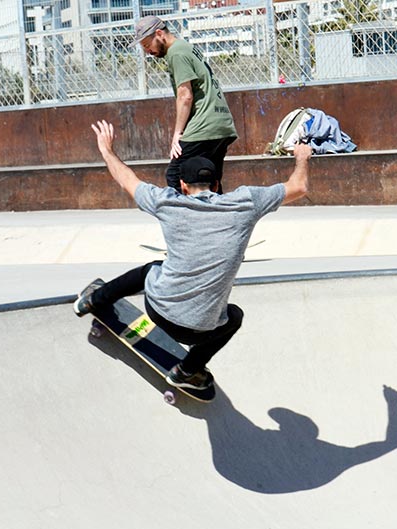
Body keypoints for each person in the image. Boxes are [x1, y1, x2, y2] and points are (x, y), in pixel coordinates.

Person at [73, 120, 311, 391]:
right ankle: (187, 371)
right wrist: (302, 158)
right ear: (217, 183)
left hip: (158, 311)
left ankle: (91, 301)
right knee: (234, 317)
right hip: (202, 330)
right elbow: (300, 186)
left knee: (152, 269)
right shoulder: (246, 203)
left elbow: (127, 179)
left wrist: (107, 150)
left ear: (183, 185)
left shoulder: (167, 202)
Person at [133, 15, 238, 194]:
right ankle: (217, 219)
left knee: (175, 175)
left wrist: (177, 134)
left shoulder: (176, 53)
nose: (147, 51)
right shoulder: (186, 47)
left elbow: (185, 95)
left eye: (147, 44)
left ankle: (186, 220)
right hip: (221, 124)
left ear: (159, 34)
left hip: (203, 125)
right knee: (208, 179)